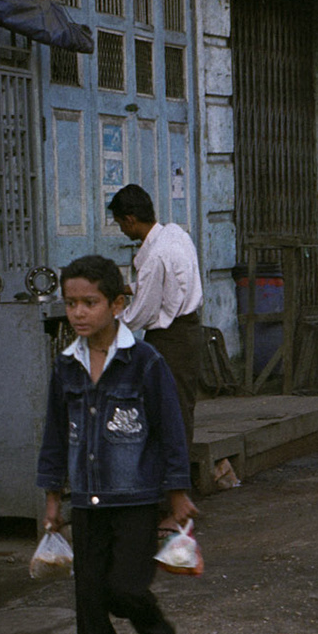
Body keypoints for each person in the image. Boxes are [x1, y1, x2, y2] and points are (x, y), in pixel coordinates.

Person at [37, 254, 199, 634]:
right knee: (89, 601)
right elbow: (54, 436)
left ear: (118, 304)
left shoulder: (145, 362)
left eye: (89, 302)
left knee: (125, 588)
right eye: (71, 303)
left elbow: (170, 431)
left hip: (136, 499)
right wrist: (52, 500)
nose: (78, 313)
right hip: (86, 501)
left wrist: (177, 495)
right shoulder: (66, 367)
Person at [112, 184, 204, 453]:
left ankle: (174, 470)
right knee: (179, 404)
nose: (121, 230)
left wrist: (110, 323)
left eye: (120, 224)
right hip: (189, 330)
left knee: (169, 407)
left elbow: (143, 312)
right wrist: (127, 288)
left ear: (130, 219)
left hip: (170, 338)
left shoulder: (155, 256)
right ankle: (174, 466)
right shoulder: (176, 234)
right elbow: (168, 284)